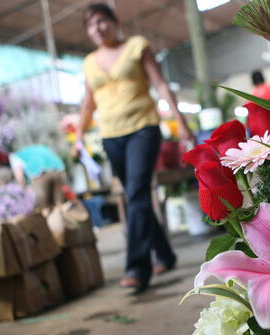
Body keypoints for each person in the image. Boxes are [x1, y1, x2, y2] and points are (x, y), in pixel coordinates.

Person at [76, 3, 194, 292]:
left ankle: (137, 267)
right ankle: (164, 254)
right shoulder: (89, 62)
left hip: (143, 128)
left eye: (102, 21)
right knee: (134, 195)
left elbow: (161, 85)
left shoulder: (137, 46)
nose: (97, 29)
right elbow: (88, 101)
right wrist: (79, 133)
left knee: (138, 193)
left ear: (115, 21)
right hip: (110, 135)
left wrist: (182, 123)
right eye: (91, 25)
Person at [10, 144, 66, 209]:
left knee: (44, 205)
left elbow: (19, 177)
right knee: (59, 202)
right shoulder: (41, 147)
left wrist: (23, 189)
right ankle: (61, 215)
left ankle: (50, 216)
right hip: (58, 170)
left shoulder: (16, 156)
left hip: (39, 173)